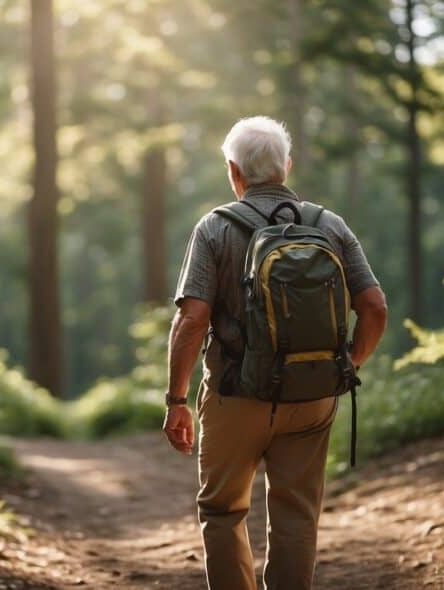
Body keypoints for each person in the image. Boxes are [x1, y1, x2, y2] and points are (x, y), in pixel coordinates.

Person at [162, 116, 388, 590]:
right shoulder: (330, 225)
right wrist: (345, 366)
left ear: (233, 171)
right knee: (296, 514)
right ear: (286, 166)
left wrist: (176, 400)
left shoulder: (214, 228)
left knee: (223, 511)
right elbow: (374, 307)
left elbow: (192, 318)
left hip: (233, 394)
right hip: (312, 395)